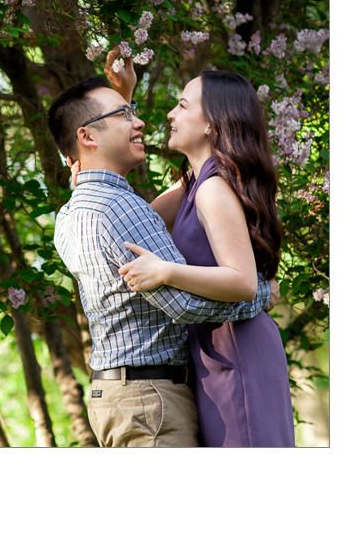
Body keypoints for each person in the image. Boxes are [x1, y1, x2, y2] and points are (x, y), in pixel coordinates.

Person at [48, 74, 271, 447]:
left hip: (116, 396)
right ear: (87, 137)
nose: (140, 122)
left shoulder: (72, 212)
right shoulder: (120, 207)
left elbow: (169, 195)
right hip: (150, 399)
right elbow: (184, 305)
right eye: (125, 114)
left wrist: (123, 106)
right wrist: (263, 292)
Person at [108, 57, 296, 447]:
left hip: (237, 352)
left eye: (182, 104)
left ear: (212, 122)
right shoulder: (196, 183)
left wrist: (166, 272)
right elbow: (139, 217)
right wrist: (123, 97)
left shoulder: (213, 189)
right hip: (218, 351)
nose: (170, 114)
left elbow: (243, 281)